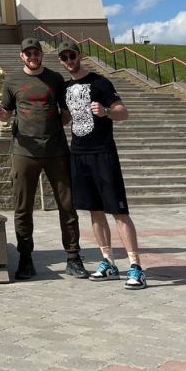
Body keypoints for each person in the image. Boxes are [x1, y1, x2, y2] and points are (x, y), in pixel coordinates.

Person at [0, 37, 88, 281]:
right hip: (24, 152)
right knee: (23, 208)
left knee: (67, 206)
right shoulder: (12, 81)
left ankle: (73, 257)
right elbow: (7, 115)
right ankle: (25, 258)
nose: (33, 56)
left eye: (36, 52)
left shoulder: (55, 79)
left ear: (41, 54)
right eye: (28, 53)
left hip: (56, 150)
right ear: (21, 56)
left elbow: (65, 114)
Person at [57, 38, 147, 289]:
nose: (69, 60)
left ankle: (135, 266)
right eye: (64, 57)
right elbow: (65, 118)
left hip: (103, 153)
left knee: (118, 211)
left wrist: (106, 112)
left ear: (79, 56)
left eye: (72, 56)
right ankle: (108, 261)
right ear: (61, 61)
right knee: (94, 210)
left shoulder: (100, 82)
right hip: (78, 154)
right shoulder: (65, 88)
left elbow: (123, 112)